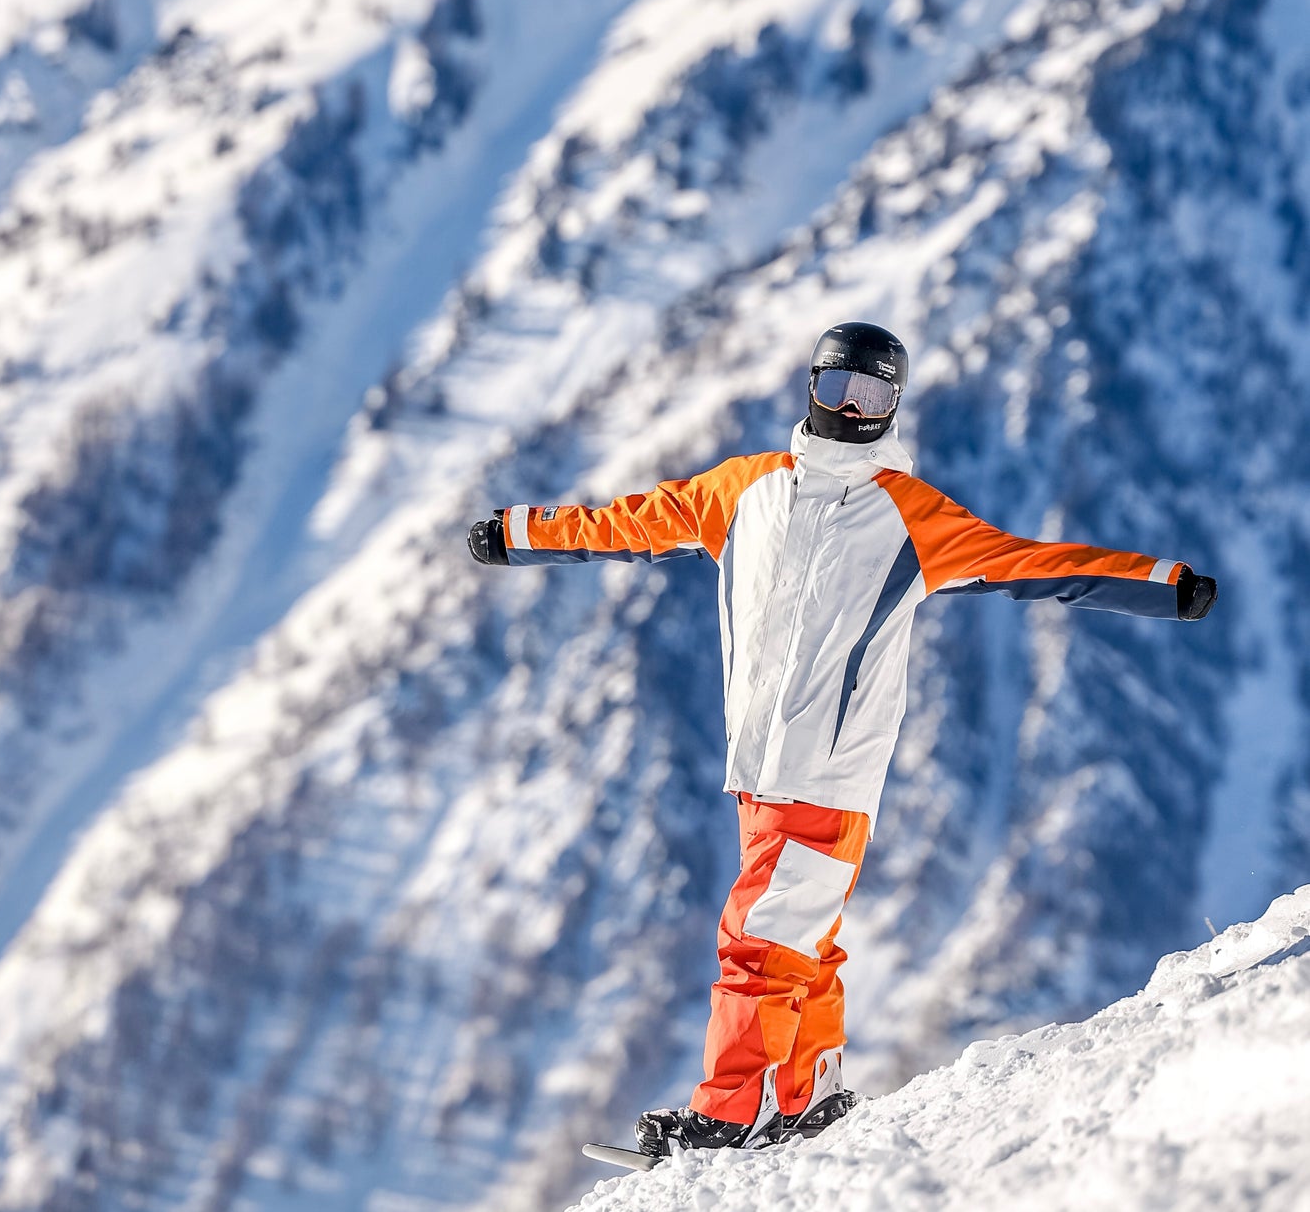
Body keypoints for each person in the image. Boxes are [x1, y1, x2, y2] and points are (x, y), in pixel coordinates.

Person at [467, 322, 1216, 1163]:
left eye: (874, 396)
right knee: (801, 937)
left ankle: (729, 1113)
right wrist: (521, 531)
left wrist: (1164, 585)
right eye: (839, 389)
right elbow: (627, 523)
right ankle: (803, 1097)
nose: (854, 408)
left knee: (757, 943)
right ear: (811, 387)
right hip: (757, 770)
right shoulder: (742, 490)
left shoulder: (910, 513)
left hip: (827, 772)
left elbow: (1034, 563)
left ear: (893, 406)